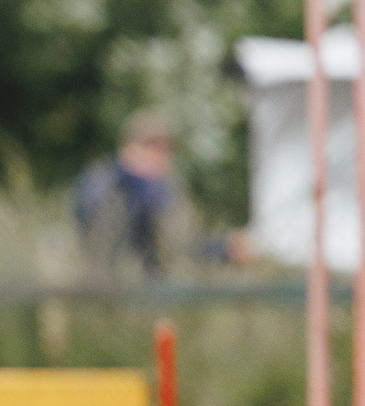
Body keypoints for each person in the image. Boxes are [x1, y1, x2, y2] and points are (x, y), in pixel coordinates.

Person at [71, 109, 249, 279]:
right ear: (146, 148)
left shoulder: (96, 179)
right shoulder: (140, 189)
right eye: (163, 151)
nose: (166, 161)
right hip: (126, 293)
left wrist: (224, 248)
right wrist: (224, 250)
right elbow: (176, 249)